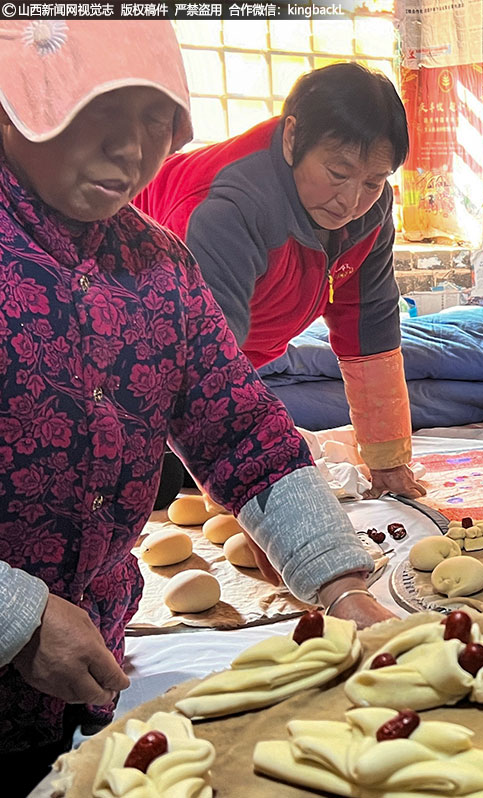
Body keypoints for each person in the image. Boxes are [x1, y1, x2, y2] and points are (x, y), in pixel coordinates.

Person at [0, 21, 396, 792]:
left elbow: (243, 434)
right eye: (101, 111)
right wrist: (20, 616)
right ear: (17, 105)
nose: (134, 148)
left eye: (158, 119)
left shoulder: (157, 266)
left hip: (83, 681)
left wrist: (341, 586)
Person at [135, 62, 424, 500]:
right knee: (142, 482)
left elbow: (370, 329)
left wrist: (388, 461)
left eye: (373, 180)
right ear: (292, 138)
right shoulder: (227, 209)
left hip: (248, 342)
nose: (351, 201)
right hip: (152, 339)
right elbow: (205, 365)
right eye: (338, 174)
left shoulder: (373, 210)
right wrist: (254, 496)